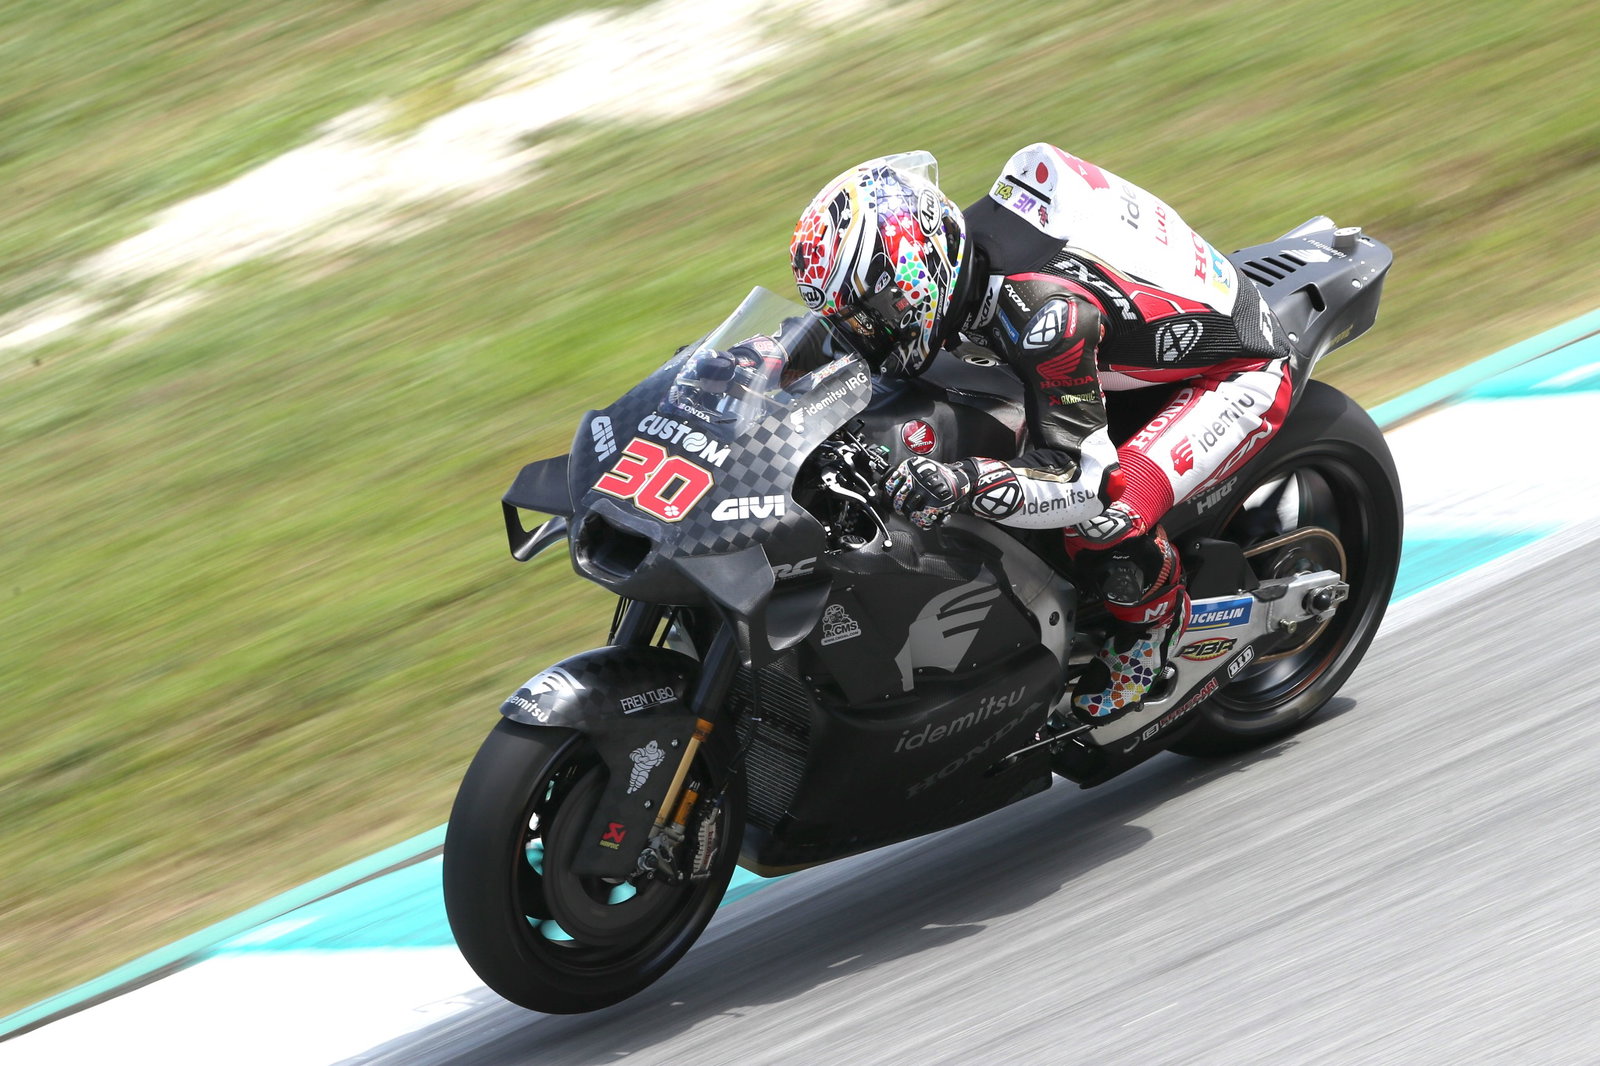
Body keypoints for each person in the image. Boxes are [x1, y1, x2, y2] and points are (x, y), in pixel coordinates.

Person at [789, 146, 1296, 724]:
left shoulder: (1044, 316)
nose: (861, 334)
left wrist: (962, 482)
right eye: (844, 318)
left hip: (1236, 374)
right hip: (1111, 340)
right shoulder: (952, 270)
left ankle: (1153, 630)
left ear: (913, 278)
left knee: (1104, 516)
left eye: (867, 314)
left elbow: (1083, 483)